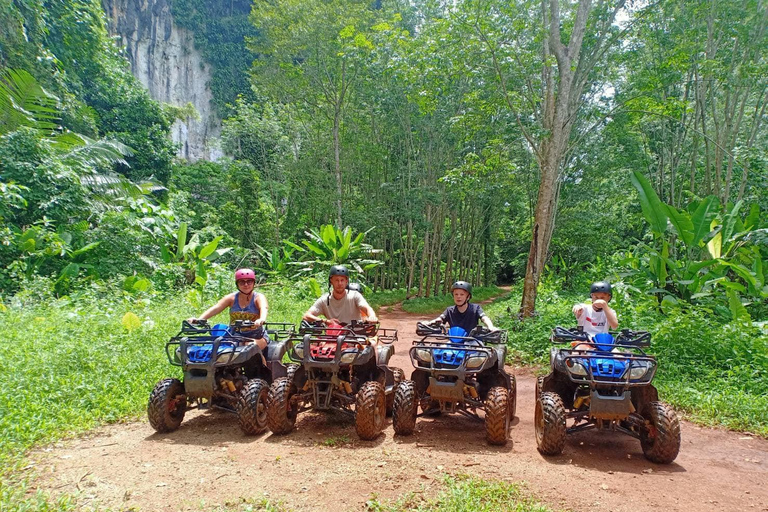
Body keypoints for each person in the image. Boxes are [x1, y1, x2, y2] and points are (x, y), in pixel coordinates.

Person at [188, 268, 269, 350]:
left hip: (257, 336)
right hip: (235, 336)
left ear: (254, 283)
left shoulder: (258, 297)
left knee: (250, 348)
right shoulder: (231, 298)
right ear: (237, 284)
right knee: (220, 350)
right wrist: (199, 319)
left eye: (249, 281)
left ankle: (263, 363)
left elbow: (264, 308)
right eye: (242, 282)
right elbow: (216, 308)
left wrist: (261, 319)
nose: (246, 284)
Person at [303, 265, 377, 325]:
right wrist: (326, 321)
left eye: (342, 280)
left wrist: (372, 316)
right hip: (334, 337)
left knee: (371, 343)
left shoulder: (355, 296)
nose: (340, 283)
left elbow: (367, 308)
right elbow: (307, 315)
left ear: (346, 281)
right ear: (331, 281)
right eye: (336, 280)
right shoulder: (324, 300)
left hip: (355, 336)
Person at [429, 281, 496, 333]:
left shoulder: (475, 308)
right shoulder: (449, 310)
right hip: (453, 341)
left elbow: (484, 318)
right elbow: (440, 318)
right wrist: (429, 323)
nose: (458, 297)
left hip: (472, 341)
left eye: (462, 294)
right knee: (440, 350)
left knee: (481, 350)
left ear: (468, 297)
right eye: (456, 294)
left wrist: (490, 326)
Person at [571, 281, 618, 349]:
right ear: (592, 296)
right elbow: (578, 307)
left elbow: (614, 326)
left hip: (604, 343)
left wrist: (605, 306)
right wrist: (577, 308)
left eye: (602, 298)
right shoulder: (585, 308)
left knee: (619, 357)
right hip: (584, 341)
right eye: (596, 297)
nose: (599, 300)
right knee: (577, 354)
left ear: (609, 298)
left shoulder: (610, 312)